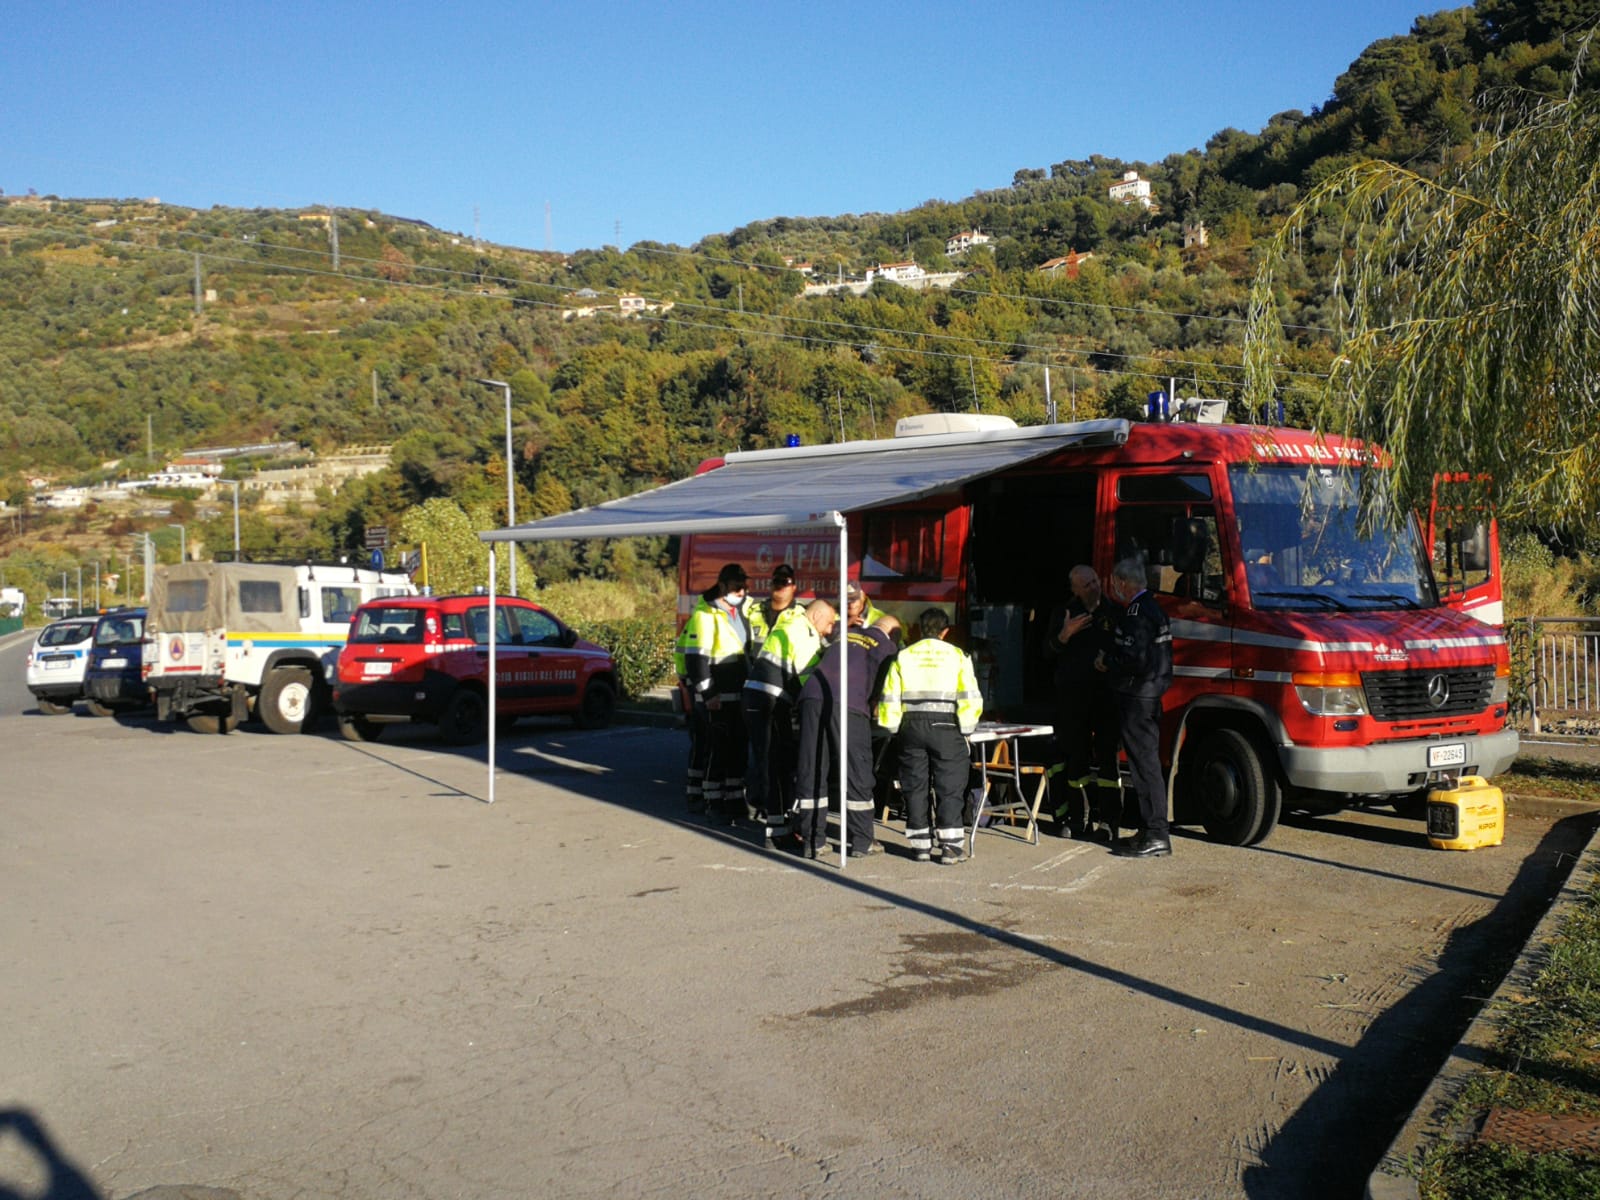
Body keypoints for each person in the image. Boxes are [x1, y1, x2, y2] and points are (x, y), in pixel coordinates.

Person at [876, 607, 983, 864]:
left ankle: (920, 846)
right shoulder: (958, 655)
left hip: (910, 728)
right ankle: (950, 847)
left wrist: (891, 727)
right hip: (946, 727)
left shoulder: (904, 655)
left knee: (915, 785)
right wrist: (967, 728)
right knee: (949, 786)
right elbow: (969, 695)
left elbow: (890, 695)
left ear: (919, 629)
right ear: (945, 631)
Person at [793, 617, 899, 858]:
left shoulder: (846, 635)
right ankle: (862, 841)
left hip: (812, 697)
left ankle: (813, 842)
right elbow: (881, 692)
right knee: (856, 770)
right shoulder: (887, 647)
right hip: (849, 704)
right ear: (893, 634)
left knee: (814, 766)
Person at [1096, 557, 1174, 859]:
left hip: (1138, 696)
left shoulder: (1137, 612)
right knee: (1147, 763)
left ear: (1124, 583)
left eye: (1116, 582)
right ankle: (1149, 828)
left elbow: (1136, 658)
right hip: (1150, 694)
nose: (1113, 587)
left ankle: (1156, 834)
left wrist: (1107, 663)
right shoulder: (1154, 608)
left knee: (1144, 766)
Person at [746, 599, 837, 849]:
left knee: (780, 762)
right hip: (769, 702)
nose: (829, 630)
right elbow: (809, 676)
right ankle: (775, 833)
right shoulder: (802, 632)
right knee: (777, 764)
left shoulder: (795, 626)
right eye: (829, 623)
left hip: (765, 699)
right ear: (816, 616)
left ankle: (778, 827)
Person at [1043, 564, 1123, 840]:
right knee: (1075, 761)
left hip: (1105, 698)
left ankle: (1108, 822)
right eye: (1085, 585)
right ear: (1075, 589)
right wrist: (1065, 634)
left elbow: (1126, 650)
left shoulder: (1114, 612)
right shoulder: (1064, 613)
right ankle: (1077, 819)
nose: (1093, 587)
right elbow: (1047, 653)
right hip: (1072, 699)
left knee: (1107, 764)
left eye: (1094, 582)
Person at [677, 563, 753, 825]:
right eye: (736, 587)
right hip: (716, 696)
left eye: (743, 586)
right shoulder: (706, 615)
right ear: (722, 586)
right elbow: (697, 660)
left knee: (736, 748)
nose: (741, 591)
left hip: (736, 694)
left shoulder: (738, 612)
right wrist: (708, 694)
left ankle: (734, 799)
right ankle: (712, 801)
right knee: (716, 748)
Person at [742, 564, 806, 821]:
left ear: (794, 587)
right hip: (755, 688)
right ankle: (757, 800)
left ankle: (774, 803)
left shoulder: (800, 615)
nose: (779, 587)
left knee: (778, 751)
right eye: (776, 582)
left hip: (785, 693)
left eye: (785, 582)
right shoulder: (755, 611)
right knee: (758, 750)